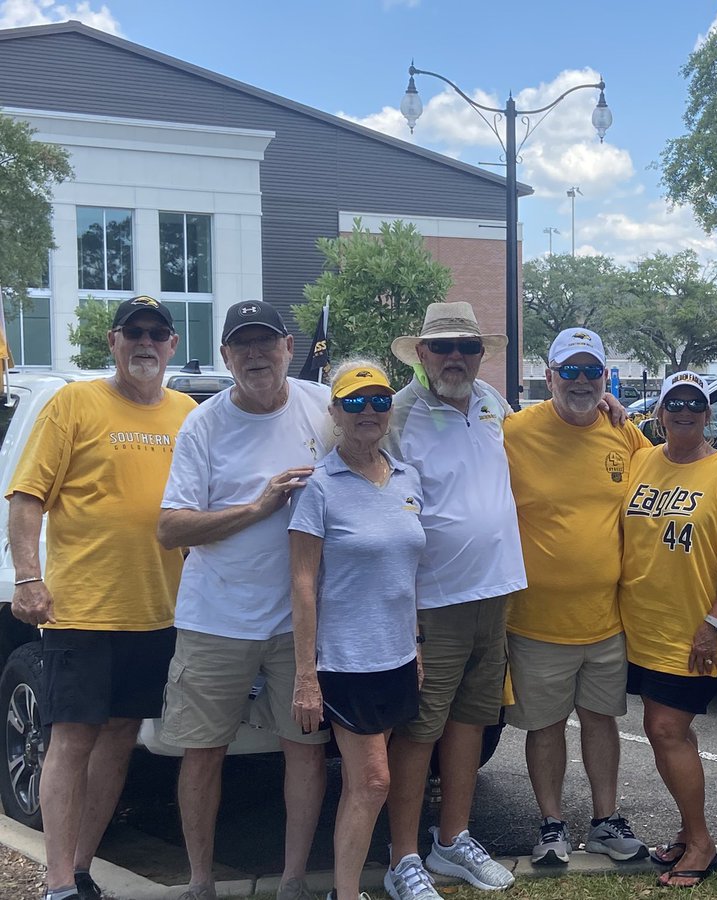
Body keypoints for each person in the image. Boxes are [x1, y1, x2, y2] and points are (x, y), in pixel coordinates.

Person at [6, 296, 195, 900]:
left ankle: (83, 868)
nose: (145, 342)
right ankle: (58, 883)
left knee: (120, 736)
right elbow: (28, 495)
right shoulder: (73, 403)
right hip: (82, 610)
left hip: (159, 611)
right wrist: (29, 578)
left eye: (157, 333)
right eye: (133, 332)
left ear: (171, 345)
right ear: (113, 342)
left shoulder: (190, 412)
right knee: (72, 738)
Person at [157, 301, 332, 900]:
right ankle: (200, 882)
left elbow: (384, 426)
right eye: (242, 346)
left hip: (298, 620)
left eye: (267, 343)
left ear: (288, 345)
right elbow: (170, 528)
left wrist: (609, 408)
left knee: (304, 752)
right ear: (227, 355)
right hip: (216, 619)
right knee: (202, 754)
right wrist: (257, 508)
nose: (256, 355)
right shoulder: (203, 424)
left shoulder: (320, 405)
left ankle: (292, 881)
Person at [381, 301, 524, 900]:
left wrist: (611, 409)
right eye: (443, 347)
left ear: (482, 353)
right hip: (432, 601)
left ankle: (453, 838)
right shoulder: (398, 414)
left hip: (494, 590)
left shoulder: (494, 403)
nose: (456, 358)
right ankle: (403, 857)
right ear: (421, 354)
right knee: (419, 729)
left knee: (472, 718)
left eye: (467, 347)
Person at [503, 327, 651, 866]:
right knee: (544, 728)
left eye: (593, 371)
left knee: (600, 720)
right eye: (571, 371)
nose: (582, 382)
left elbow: (663, 476)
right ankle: (551, 826)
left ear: (606, 378)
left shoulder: (624, 433)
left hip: (607, 619)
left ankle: (606, 821)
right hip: (535, 619)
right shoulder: (513, 432)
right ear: (550, 377)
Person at [289, 361, 425, 900]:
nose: (368, 412)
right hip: (344, 661)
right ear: (335, 413)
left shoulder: (407, 479)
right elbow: (302, 582)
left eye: (378, 400)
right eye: (354, 402)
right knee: (374, 782)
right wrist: (306, 676)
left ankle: (345, 889)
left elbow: (406, 573)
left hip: (394, 656)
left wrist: (414, 644)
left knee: (360, 784)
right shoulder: (318, 486)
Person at [619, 371, 717, 889]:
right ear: (659, 413)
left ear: (707, 415)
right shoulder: (642, 460)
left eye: (694, 405)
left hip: (693, 633)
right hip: (641, 629)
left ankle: (701, 842)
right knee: (666, 733)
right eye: (673, 403)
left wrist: (712, 624)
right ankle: (686, 831)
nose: (683, 412)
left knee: (665, 730)